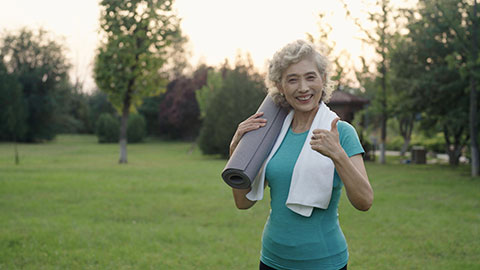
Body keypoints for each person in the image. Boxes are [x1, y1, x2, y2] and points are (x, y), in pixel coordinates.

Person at [229, 40, 373, 270]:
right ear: (280, 86)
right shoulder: (270, 133)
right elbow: (243, 203)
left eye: (310, 77)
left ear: (323, 79)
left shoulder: (341, 131)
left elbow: (365, 201)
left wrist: (338, 155)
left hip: (324, 262)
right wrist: (236, 153)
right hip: (272, 260)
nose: (303, 87)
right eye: (292, 79)